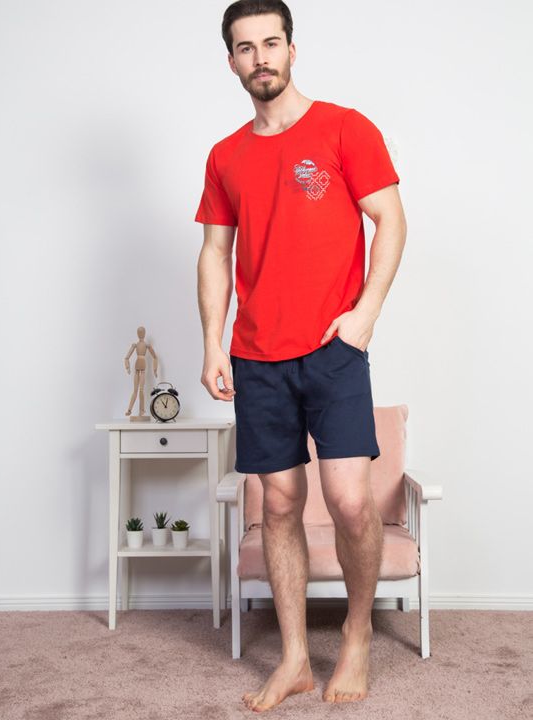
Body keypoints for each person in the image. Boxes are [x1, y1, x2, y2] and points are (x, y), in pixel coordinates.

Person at [195, 0, 407, 712]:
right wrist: (212, 343)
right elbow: (215, 252)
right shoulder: (225, 155)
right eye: (246, 47)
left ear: (292, 49)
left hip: (333, 350)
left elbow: (390, 219)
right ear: (231, 61)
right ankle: (292, 659)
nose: (260, 58)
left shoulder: (345, 128)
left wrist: (365, 315)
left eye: (271, 43)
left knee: (349, 501)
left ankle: (356, 634)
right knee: (280, 503)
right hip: (256, 357)